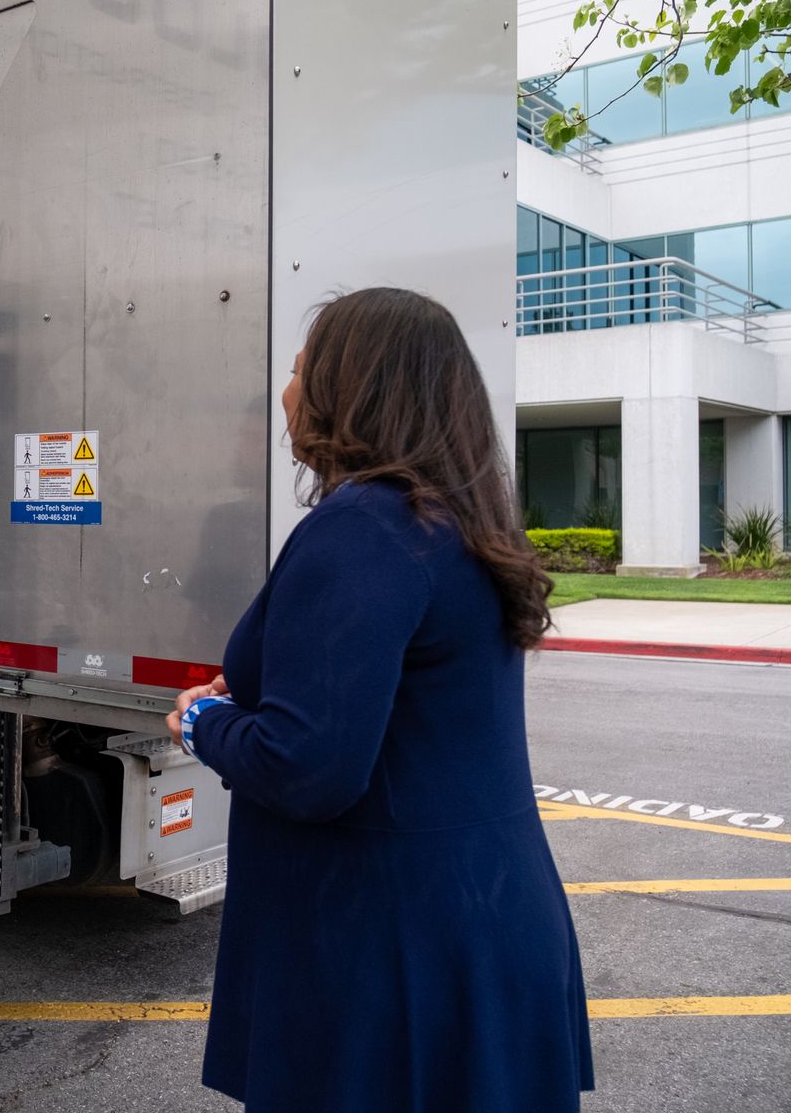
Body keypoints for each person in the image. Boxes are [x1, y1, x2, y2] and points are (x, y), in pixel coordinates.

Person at [168, 288, 593, 1112]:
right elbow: (402, 698)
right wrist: (266, 693)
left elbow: (309, 769)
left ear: (345, 391)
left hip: (390, 953)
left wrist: (202, 720)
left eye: (297, 373)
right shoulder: (456, 519)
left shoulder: (360, 526)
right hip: (483, 925)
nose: (286, 393)